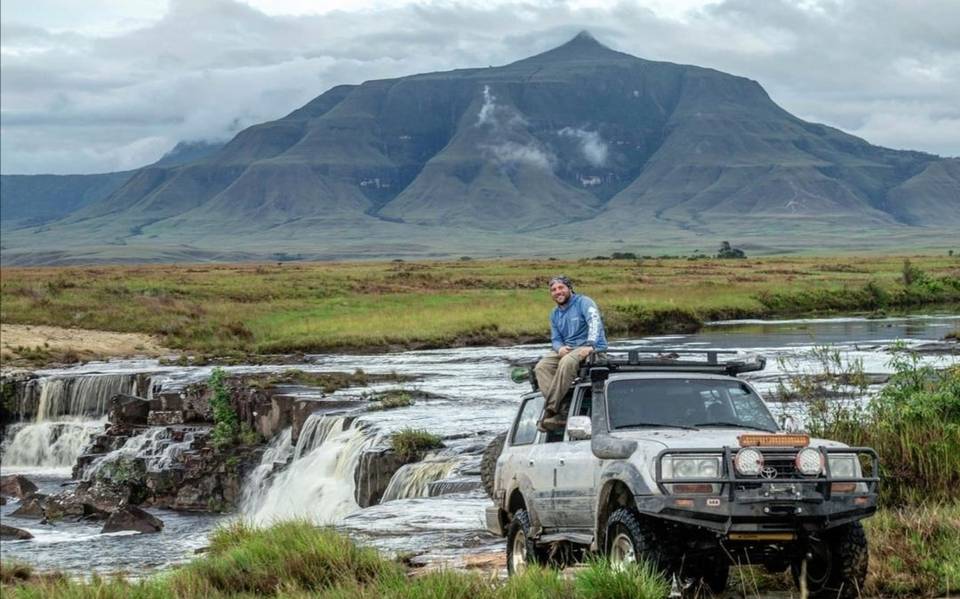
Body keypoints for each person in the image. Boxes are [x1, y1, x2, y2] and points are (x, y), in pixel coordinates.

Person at [534, 275, 607, 432]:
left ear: (569, 289)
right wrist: (559, 348)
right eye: (553, 290)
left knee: (566, 362)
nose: (557, 292)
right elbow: (555, 339)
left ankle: (551, 409)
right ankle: (563, 407)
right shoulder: (554, 313)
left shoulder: (584, 302)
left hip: (592, 348)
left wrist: (590, 344)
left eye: (561, 288)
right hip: (568, 349)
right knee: (541, 367)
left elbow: (595, 322)